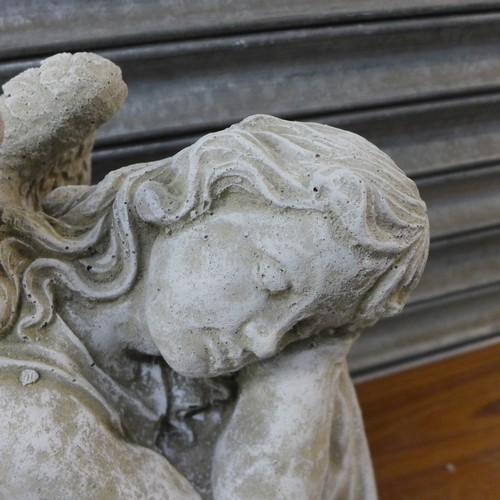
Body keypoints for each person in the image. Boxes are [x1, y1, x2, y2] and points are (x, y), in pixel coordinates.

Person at [0, 54, 429, 499]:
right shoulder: (32, 427)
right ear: (190, 201)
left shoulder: (212, 334)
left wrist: (315, 353)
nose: (266, 340)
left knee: (313, 374)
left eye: (299, 323)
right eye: (270, 278)